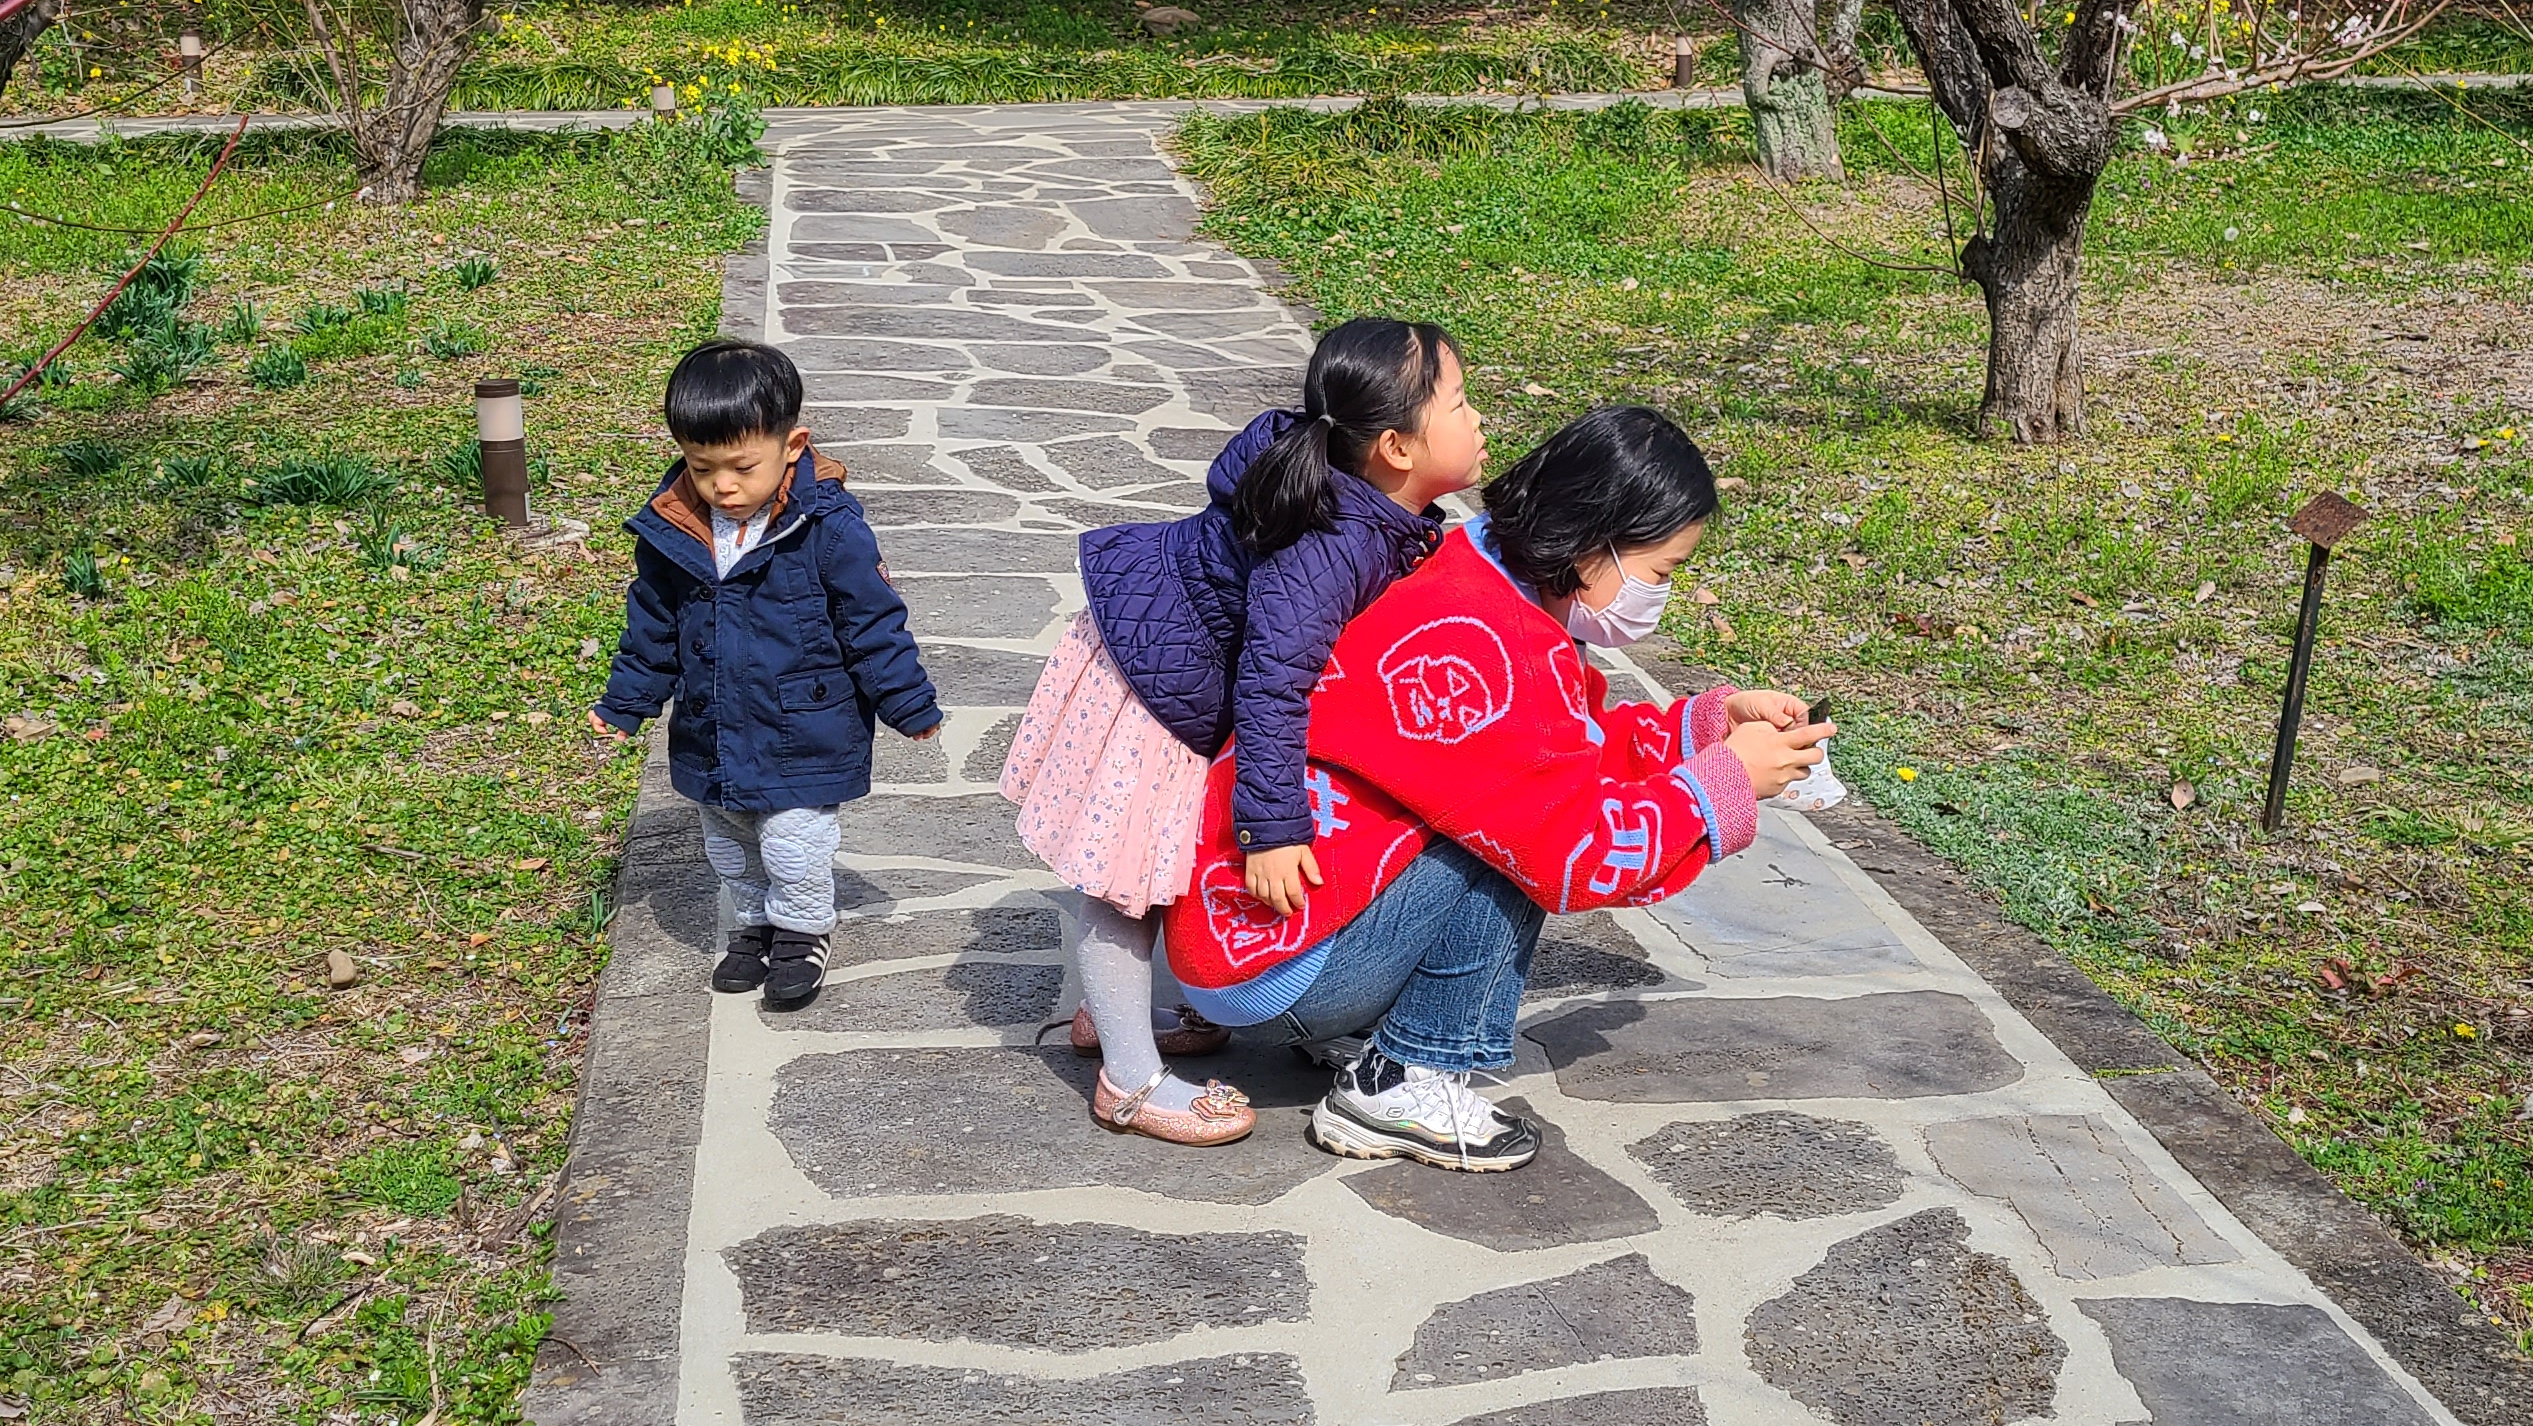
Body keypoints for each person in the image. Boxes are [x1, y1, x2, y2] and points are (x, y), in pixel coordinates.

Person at [1163, 405, 1825, 1171]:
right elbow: (1575, 845)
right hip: (1282, 969)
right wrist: (1724, 784)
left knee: (1513, 810)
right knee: (1518, 843)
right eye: (1660, 572)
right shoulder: (1497, 648)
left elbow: (1567, 745)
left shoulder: (1471, 568)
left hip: (1245, 932)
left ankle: (1357, 1027)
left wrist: (1705, 725)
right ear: (1591, 543)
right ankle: (1402, 1076)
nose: (1661, 594)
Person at [1006, 318, 1484, 1144]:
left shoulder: (1374, 512)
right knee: (1127, 877)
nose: (1479, 420)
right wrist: (1270, 828)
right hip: (1152, 671)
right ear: (1398, 449)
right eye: (1461, 402)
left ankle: (1130, 1016)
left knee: (1170, 851)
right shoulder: (1330, 543)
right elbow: (1273, 681)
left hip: (1174, 654)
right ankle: (1127, 1075)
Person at [592, 339, 940, 1012]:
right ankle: (753, 924)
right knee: (729, 841)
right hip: (713, 725)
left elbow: (872, 621)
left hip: (804, 723)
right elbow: (652, 626)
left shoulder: (828, 528)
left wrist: (906, 699)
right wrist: (626, 702)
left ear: (791, 445)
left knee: (793, 840)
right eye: (701, 468)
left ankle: (803, 931)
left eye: (741, 467)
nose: (722, 486)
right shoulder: (674, 529)